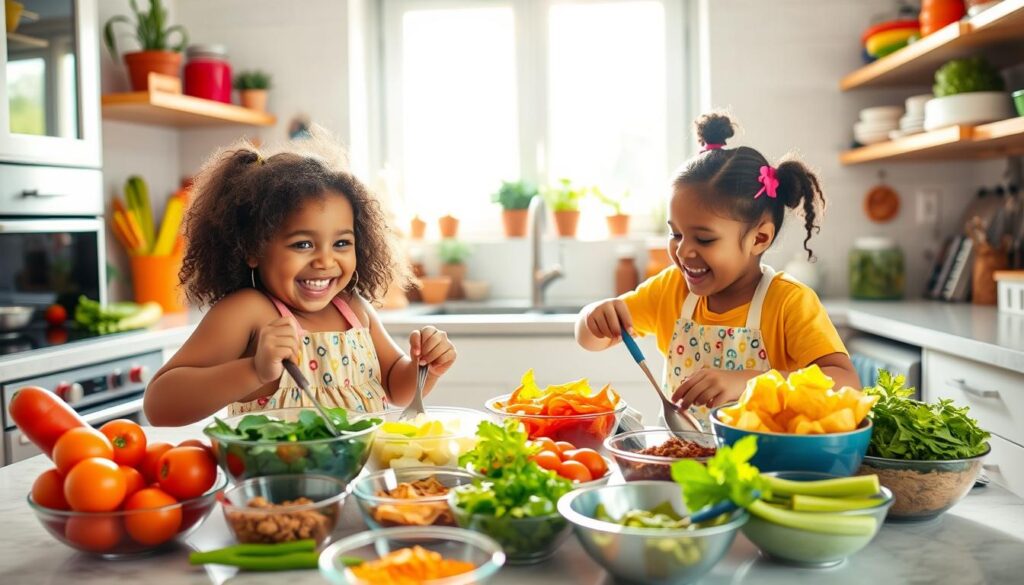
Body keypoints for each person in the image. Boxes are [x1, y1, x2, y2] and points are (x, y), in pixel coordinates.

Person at [145, 130, 456, 426]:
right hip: (275, 480)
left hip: (359, 479)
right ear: (253, 248)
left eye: (341, 243)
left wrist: (423, 367)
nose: (325, 260)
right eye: (303, 244)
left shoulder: (353, 309)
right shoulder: (248, 311)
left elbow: (395, 386)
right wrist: (254, 370)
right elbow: (160, 405)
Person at [575, 112, 858, 429]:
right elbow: (591, 340)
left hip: (763, 466)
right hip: (680, 462)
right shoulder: (671, 289)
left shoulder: (788, 302)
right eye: (676, 234)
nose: (683, 251)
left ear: (759, 238)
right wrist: (592, 317)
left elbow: (846, 382)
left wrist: (751, 382)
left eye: (704, 239)